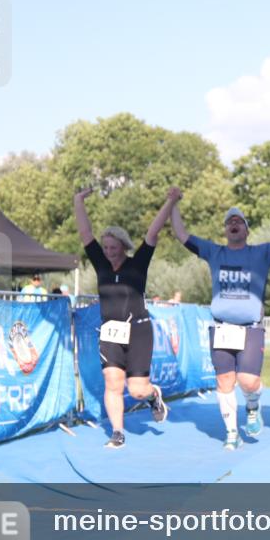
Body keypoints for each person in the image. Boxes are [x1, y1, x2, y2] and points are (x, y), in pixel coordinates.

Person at [170, 187, 270, 451]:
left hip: (250, 329)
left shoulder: (262, 253)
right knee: (224, 382)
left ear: (246, 230)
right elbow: (181, 234)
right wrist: (173, 203)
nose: (233, 224)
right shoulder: (214, 252)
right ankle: (232, 433)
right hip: (221, 328)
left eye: (239, 221)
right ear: (225, 231)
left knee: (248, 381)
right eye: (229, 222)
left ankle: (253, 406)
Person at [73, 186, 173, 449]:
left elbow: (152, 233)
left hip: (138, 331)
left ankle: (153, 395)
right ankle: (117, 432)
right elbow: (85, 233)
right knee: (113, 382)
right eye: (105, 247)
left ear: (123, 246)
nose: (108, 251)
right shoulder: (101, 264)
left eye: (113, 247)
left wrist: (170, 202)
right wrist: (78, 201)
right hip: (110, 331)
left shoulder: (137, 263)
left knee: (137, 390)